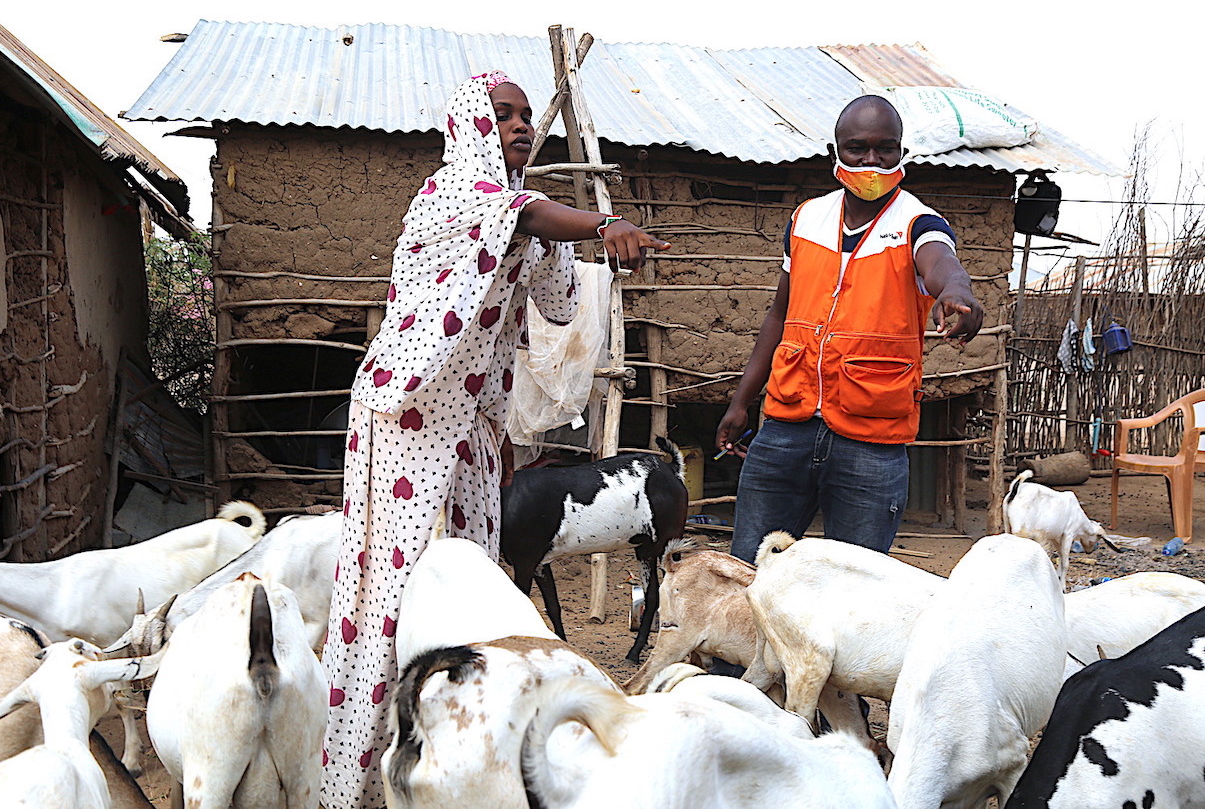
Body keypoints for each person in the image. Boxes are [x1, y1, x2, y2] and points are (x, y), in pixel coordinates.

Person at [320, 71, 669, 809]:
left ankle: (454, 746)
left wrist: (573, 245)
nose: (517, 127)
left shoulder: (518, 217)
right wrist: (601, 227)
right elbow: (522, 214)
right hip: (405, 415)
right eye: (500, 115)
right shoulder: (450, 195)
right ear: (470, 125)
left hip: (471, 425)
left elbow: (553, 295)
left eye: (522, 117)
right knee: (389, 590)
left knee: (470, 583)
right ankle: (353, 777)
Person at [716, 95, 983, 565]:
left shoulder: (917, 222)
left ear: (903, 152)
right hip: (785, 425)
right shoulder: (805, 219)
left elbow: (942, 261)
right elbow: (779, 316)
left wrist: (957, 291)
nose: (872, 160)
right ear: (835, 149)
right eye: (858, 147)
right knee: (750, 569)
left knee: (854, 585)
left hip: (871, 437)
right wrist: (741, 403)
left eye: (886, 148)